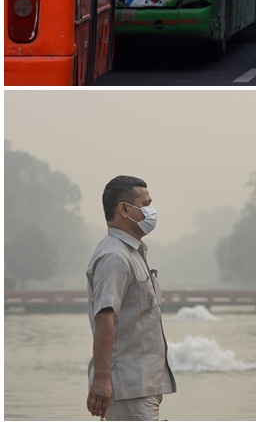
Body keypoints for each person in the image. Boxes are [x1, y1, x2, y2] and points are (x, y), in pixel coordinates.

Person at [86, 176, 176, 421]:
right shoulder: (114, 256)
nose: (151, 211)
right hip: (126, 385)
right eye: (145, 204)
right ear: (124, 209)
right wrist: (102, 380)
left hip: (142, 385)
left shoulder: (133, 253)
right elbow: (106, 317)